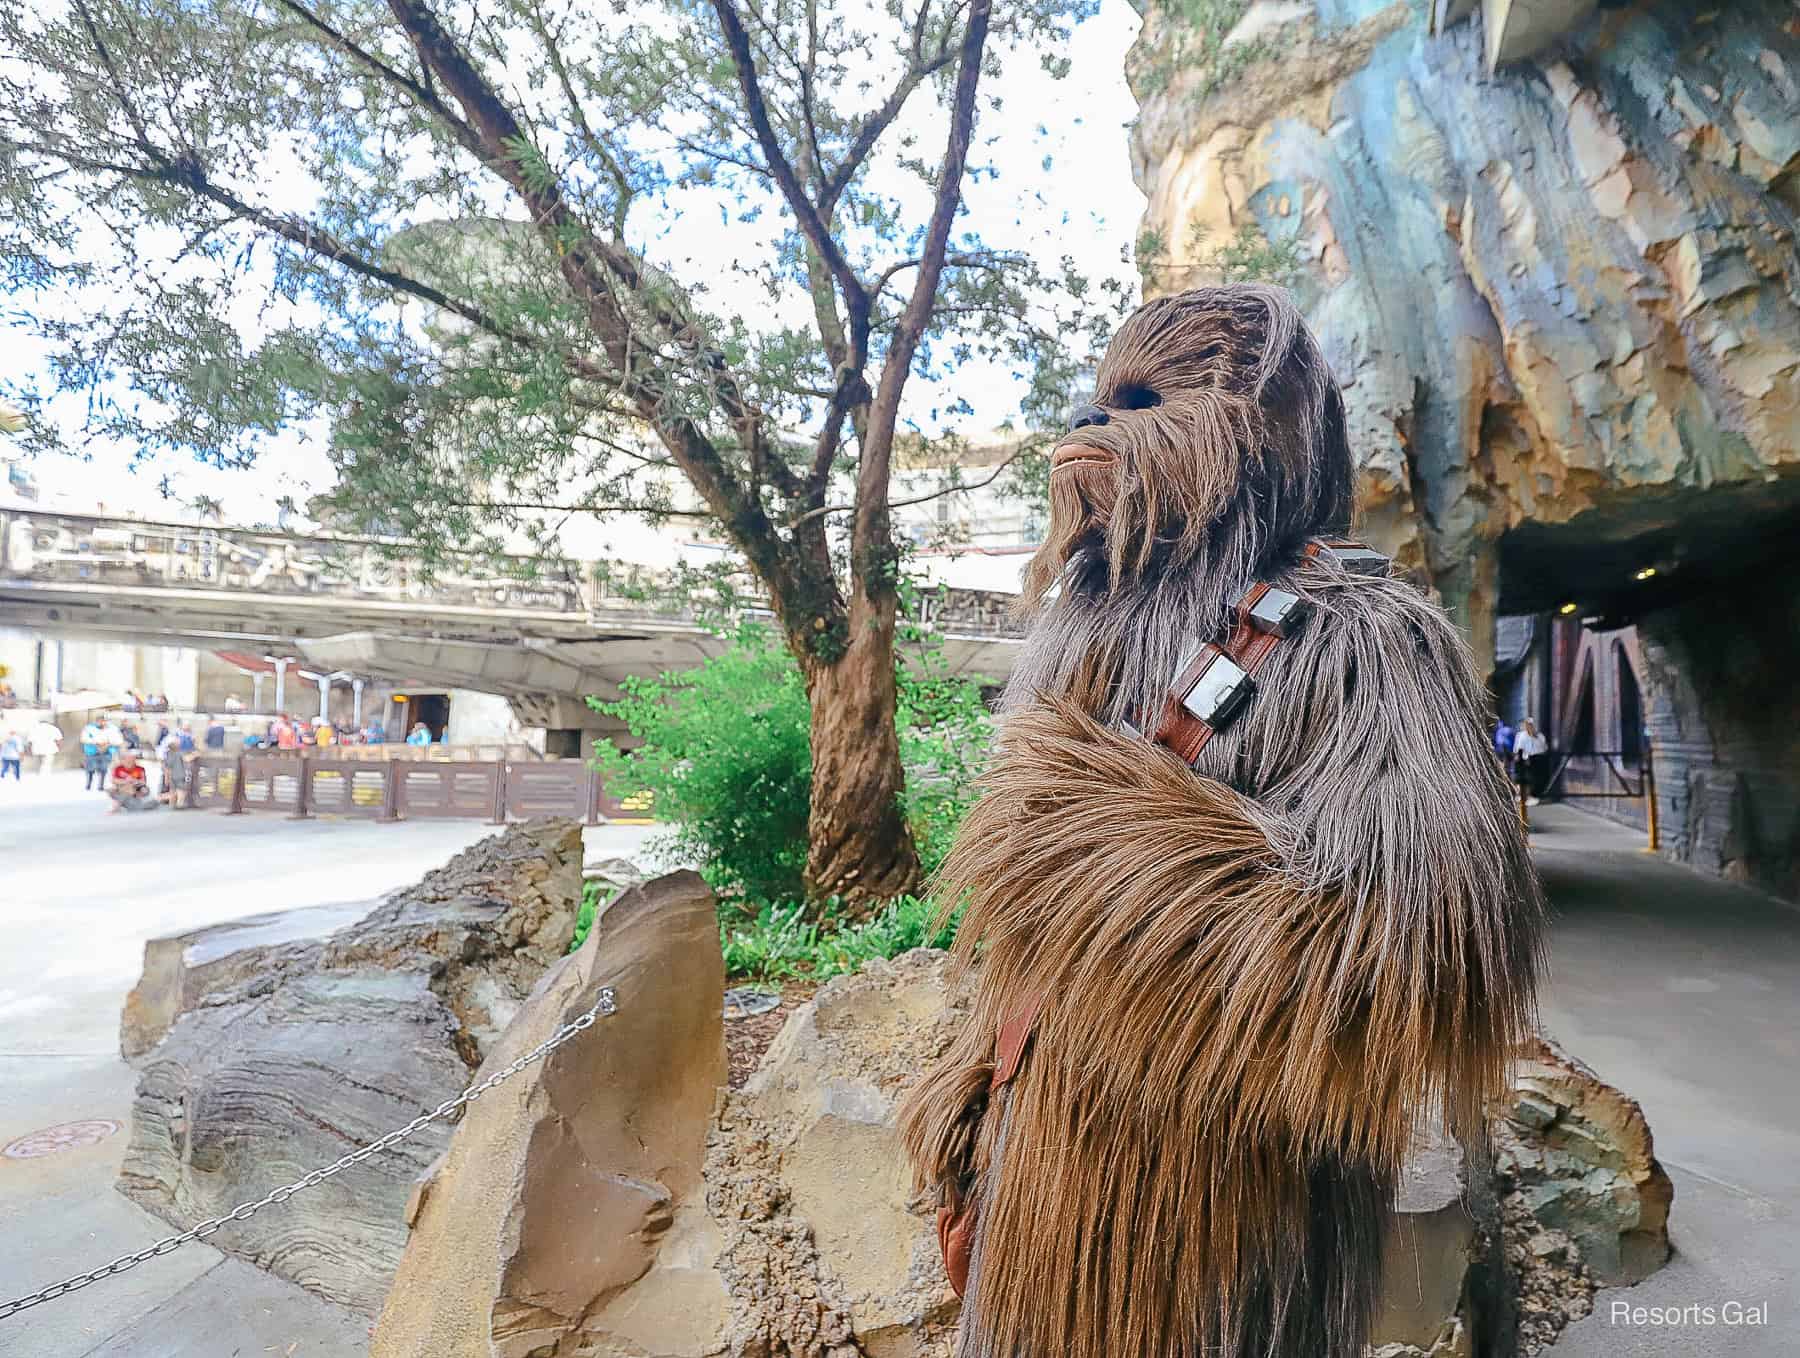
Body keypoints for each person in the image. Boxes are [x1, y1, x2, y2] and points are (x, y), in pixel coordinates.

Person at [897, 286, 1544, 1358]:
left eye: (1146, 397)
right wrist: (975, 1091)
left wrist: (1112, 849)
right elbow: (1023, 937)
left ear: (1265, 429)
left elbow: (1432, 956)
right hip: (1038, 1170)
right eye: (1100, 397)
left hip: (1225, 1219)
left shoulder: (1366, 638)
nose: (1096, 424)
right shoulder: (1076, 625)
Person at [1513, 717, 1549, 805]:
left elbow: (1544, 748)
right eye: (1526, 725)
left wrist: (1534, 737)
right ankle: (1522, 796)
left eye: (1530, 725)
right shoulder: (1521, 735)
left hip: (1537, 759)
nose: (1528, 726)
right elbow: (1517, 748)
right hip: (1524, 759)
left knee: (1535, 779)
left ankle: (1533, 796)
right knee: (1523, 779)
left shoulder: (1539, 736)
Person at [109, 748, 155, 812]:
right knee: (121, 789)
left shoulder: (140, 769)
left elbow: (143, 782)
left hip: (137, 787)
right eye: (127, 760)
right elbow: (113, 780)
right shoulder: (118, 768)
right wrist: (125, 782)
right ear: (123, 760)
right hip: (122, 786)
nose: (130, 761)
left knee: (144, 790)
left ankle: (131, 802)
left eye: (132, 759)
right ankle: (118, 804)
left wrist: (134, 781)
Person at [80, 717, 107, 790]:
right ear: (97, 721)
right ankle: (88, 784)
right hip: (91, 753)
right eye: (101, 722)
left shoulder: (107, 729)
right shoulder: (88, 729)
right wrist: (96, 743)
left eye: (104, 722)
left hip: (103, 753)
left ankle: (101, 786)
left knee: (103, 770)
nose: (102, 723)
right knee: (90, 770)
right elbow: (83, 739)